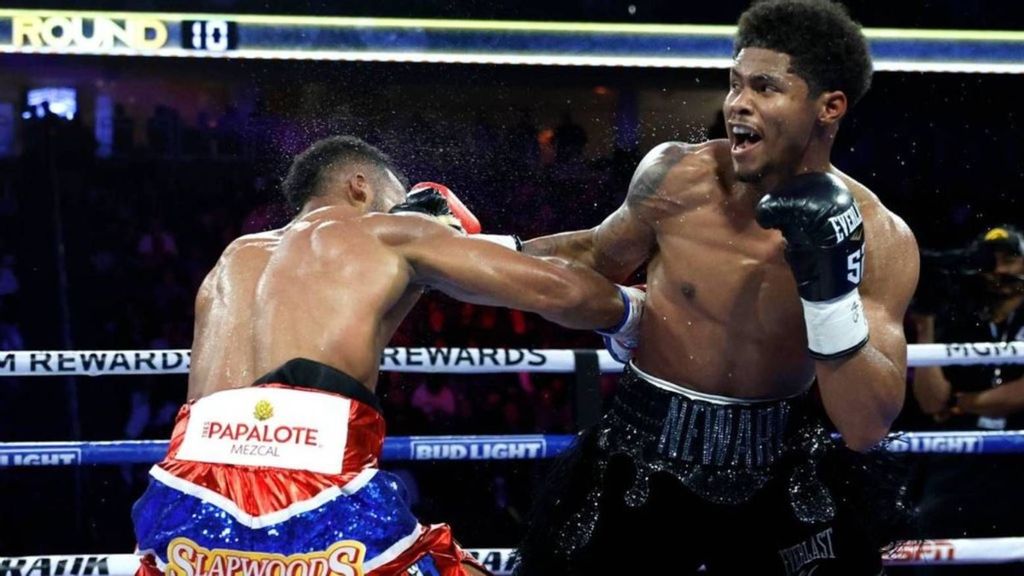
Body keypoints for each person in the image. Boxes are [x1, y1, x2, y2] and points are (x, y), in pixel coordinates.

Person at [513, 1, 920, 574]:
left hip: (780, 465)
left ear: (829, 107)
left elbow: (866, 425)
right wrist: (462, 248)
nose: (737, 104)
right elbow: (594, 255)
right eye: (734, 84)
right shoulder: (678, 176)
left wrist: (828, 291)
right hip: (639, 450)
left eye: (764, 87)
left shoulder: (879, 236)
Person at [131, 136, 644, 576]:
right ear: (361, 186)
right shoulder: (385, 232)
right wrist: (631, 312)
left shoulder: (234, 257)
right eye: (394, 199)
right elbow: (557, 291)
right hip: (315, 501)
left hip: (183, 505)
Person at [909, 225, 1024, 575]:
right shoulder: (959, 316)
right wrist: (926, 326)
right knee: (929, 543)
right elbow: (932, 402)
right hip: (959, 460)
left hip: (1019, 459)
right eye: (993, 261)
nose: (1000, 270)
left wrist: (962, 401)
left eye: (1011, 259)